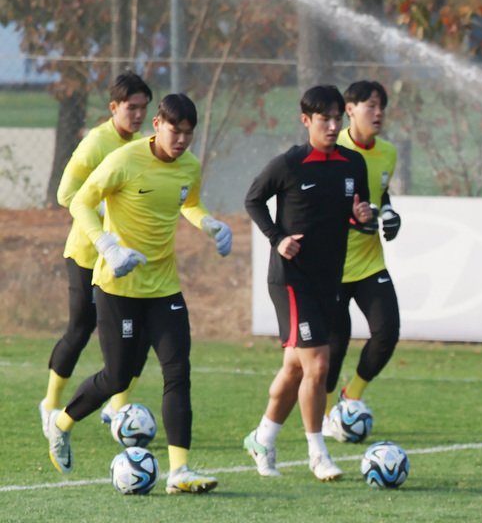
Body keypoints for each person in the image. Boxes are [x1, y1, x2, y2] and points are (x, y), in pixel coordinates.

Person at [45, 93, 232, 493]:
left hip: (164, 287)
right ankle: (61, 424)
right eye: (174, 130)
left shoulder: (190, 167)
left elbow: (190, 204)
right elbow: (79, 201)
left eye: (188, 133)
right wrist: (108, 247)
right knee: (118, 376)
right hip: (118, 287)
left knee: (177, 371)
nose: (181, 140)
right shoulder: (125, 160)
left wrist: (210, 224)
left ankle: (179, 470)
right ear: (157, 125)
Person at [244, 85, 373, 481]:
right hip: (291, 280)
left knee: (295, 370)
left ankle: (262, 437)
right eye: (324, 120)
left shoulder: (353, 164)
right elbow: (253, 199)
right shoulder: (290, 164)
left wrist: (363, 216)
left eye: (338, 118)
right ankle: (317, 452)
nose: (333, 126)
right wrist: (278, 237)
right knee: (318, 364)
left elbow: (356, 216)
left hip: (328, 278)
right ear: (306, 121)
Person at [42, 72, 152, 432]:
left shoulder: (139, 146)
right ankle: (51, 404)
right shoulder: (95, 143)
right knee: (80, 328)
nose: (137, 115)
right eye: (131, 108)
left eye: (142, 108)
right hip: (88, 254)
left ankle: (116, 407)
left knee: (140, 332)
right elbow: (65, 194)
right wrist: (104, 215)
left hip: (124, 260)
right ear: (113, 108)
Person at [323, 79, 403, 437]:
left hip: (371, 263)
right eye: (370, 105)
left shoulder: (387, 152)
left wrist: (389, 214)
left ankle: (350, 396)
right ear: (349, 110)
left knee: (387, 332)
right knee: (335, 345)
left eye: (381, 106)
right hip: (333, 266)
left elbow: (380, 195)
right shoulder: (332, 147)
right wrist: (351, 217)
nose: (378, 112)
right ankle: (325, 416)